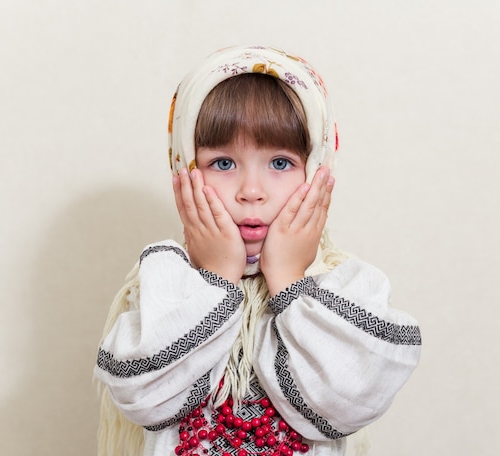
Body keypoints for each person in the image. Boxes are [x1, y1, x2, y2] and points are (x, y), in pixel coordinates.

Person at [94, 45, 421, 456]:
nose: (252, 192)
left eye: (280, 163)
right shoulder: (168, 285)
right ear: (185, 169)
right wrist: (217, 277)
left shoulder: (343, 289)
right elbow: (143, 396)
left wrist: (288, 279)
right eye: (224, 164)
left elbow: (349, 399)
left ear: (318, 169)